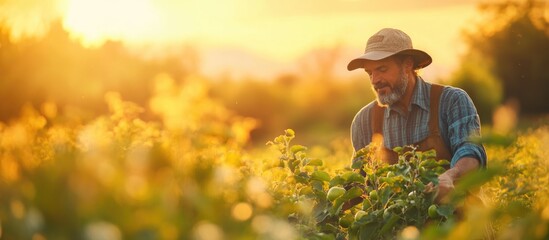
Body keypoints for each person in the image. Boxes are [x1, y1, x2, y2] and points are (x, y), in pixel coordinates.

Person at [347, 28, 486, 203]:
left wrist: (451, 175)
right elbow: (358, 182)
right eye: (370, 73)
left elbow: (471, 153)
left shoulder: (451, 101)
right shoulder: (364, 120)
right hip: (398, 228)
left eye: (382, 69)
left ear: (407, 65)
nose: (375, 80)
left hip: (457, 222)